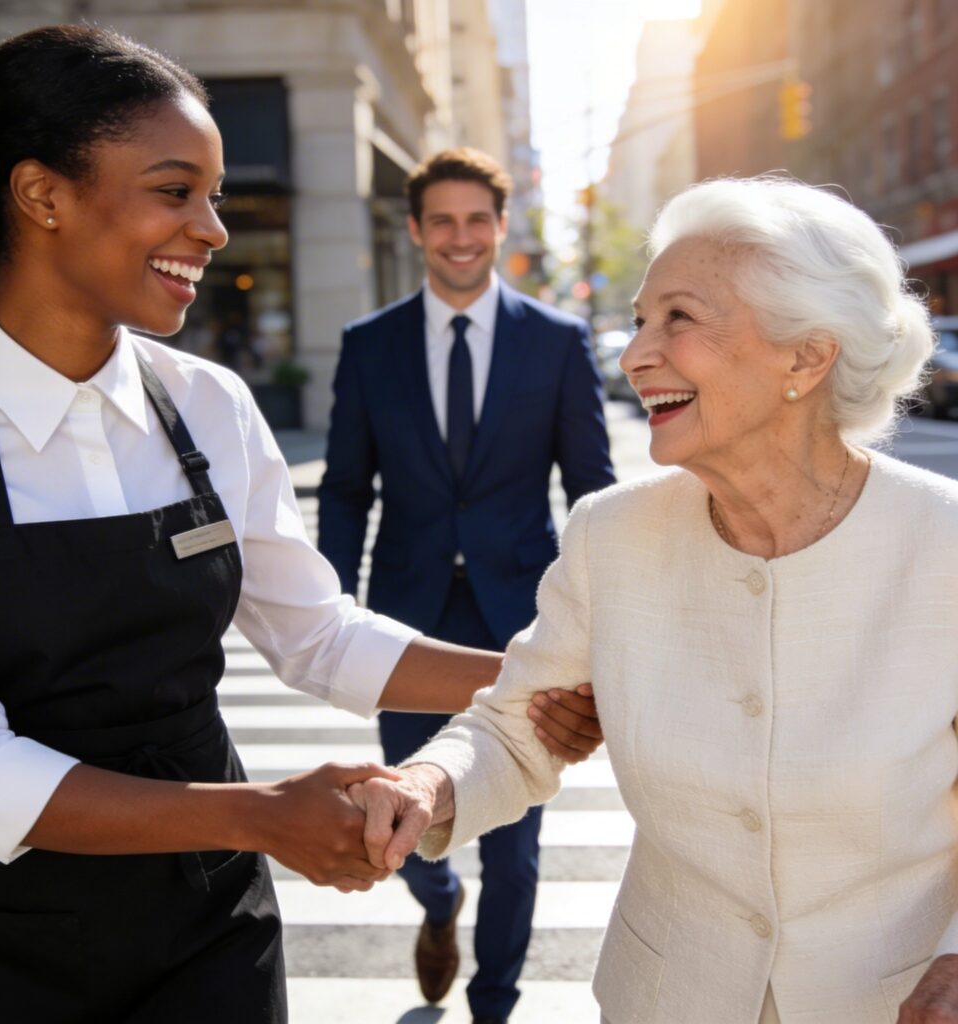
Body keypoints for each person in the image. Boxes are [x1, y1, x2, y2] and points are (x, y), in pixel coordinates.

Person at [0, 27, 601, 1024]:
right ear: (44, 197)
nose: (212, 226)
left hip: (212, 926)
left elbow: (317, 635)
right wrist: (259, 815)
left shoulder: (207, 403)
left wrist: (542, 674)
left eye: (212, 193)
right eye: (175, 190)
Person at [348, 176, 958, 1024]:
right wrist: (426, 784)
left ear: (807, 356)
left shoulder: (945, 541)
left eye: (680, 318)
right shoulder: (612, 533)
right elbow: (518, 725)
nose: (636, 354)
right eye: (641, 320)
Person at [317, 147, 615, 1023]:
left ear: (500, 228)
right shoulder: (368, 347)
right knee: (403, 814)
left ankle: (494, 1005)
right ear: (415, 230)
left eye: (476, 219)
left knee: (518, 842)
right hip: (403, 622)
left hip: (520, 628)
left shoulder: (556, 343)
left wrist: (600, 619)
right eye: (441, 220)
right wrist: (335, 613)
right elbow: (343, 487)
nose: (460, 237)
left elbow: (593, 491)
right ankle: (439, 901)